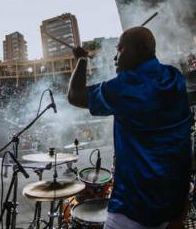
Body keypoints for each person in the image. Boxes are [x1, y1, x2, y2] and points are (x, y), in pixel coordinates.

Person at [67, 27, 191, 229]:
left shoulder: (125, 87)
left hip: (134, 209)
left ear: (141, 50)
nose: (115, 57)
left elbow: (75, 95)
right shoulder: (175, 77)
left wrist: (81, 59)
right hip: (173, 205)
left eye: (120, 49)